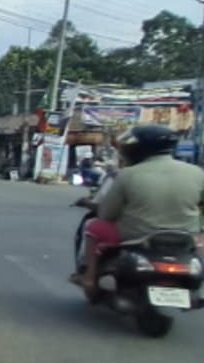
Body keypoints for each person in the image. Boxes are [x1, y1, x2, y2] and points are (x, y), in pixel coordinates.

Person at [76, 125, 204, 298]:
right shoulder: (196, 173)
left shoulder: (128, 175)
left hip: (136, 235)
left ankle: (89, 278)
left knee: (92, 226)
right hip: (185, 236)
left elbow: (107, 214)